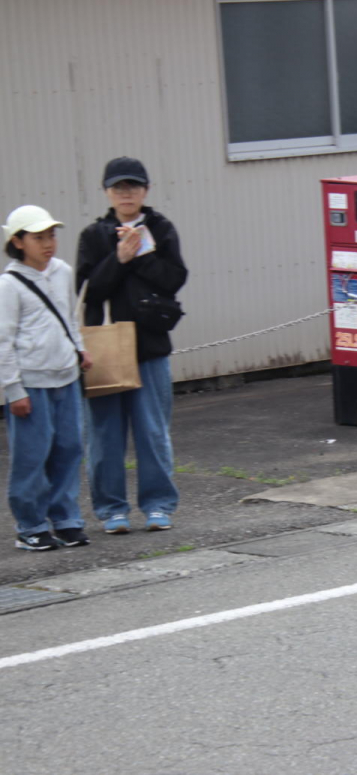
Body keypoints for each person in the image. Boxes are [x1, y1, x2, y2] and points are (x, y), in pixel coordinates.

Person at [76, 157, 188, 533]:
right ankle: (112, 510)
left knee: (152, 432)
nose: (126, 193)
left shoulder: (161, 228)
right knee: (104, 435)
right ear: (107, 192)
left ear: (146, 190)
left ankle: (158, 505)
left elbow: (174, 279)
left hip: (150, 346)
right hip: (104, 349)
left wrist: (142, 255)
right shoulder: (93, 235)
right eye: (118, 187)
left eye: (134, 186)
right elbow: (87, 291)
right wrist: (119, 258)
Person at [1, 206, 93, 551]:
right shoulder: (9, 285)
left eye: (51, 235)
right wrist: (13, 389)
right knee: (32, 456)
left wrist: (79, 349)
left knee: (69, 449)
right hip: (31, 384)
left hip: (66, 377)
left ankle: (66, 519)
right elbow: (3, 340)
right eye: (38, 237)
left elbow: (69, 317)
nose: (48, 243)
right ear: (18, 242)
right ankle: (30, 526)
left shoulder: (62, 272)